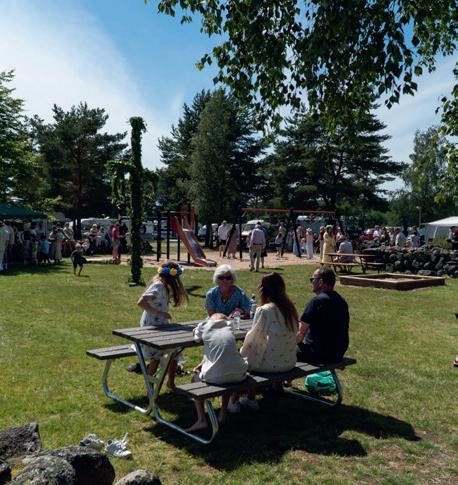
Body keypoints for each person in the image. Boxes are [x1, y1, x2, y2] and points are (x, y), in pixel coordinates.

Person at [230, 272, 298, 412]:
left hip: (272, 365)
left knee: (240, 358)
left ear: (263, 290)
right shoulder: (290, 308)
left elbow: (253, 339)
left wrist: (240, 355)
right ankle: (250, 397)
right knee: (255, 354)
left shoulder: (265, 310)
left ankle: (235, 400)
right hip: (289, 361)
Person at [185, 313, 248, 432]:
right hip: (239, 373)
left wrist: (196, 330)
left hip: (216, 376)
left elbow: (196, 338)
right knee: (226, 374)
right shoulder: (229, 325)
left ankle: (201, 420)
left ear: (210, 320)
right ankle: (223, 413)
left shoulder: (203, 325)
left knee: (195, 381)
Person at [130, 262, 189, 388]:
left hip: (161, 326)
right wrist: (159, 313)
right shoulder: (159, 286)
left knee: (174, 351)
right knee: (156, 357)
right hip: (151, 328)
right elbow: (141, 302)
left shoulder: (163, 286)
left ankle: (170, 382)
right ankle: (150, 387)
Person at [296, 267, 349, 364]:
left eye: (312, 279)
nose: (311, 282)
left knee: (281, 351)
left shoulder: (316, 302)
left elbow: (300, 334)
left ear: (320, 282)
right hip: (337, 354)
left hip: (317, 354)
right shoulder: (341, 301)